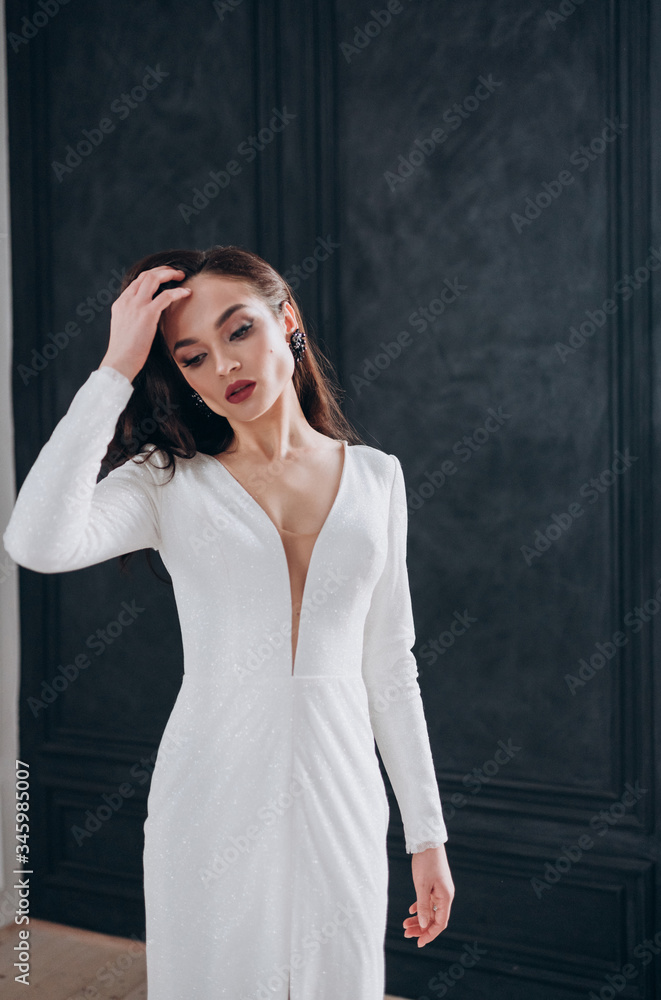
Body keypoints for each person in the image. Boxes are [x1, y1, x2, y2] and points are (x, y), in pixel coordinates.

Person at [3, 245, 455, 999]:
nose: (223, 366)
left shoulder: (378, 478)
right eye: (192, 356)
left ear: (288, 321)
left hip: (342, 786)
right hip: (210, 792)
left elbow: (391, 668)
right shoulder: (167, 481)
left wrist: (428, 836)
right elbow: (34, 540)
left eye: (238, 330)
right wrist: (115, 368)